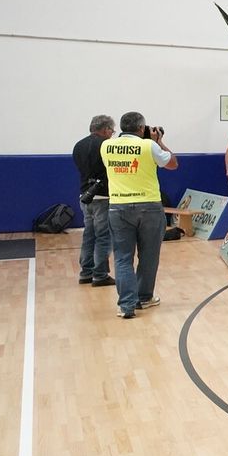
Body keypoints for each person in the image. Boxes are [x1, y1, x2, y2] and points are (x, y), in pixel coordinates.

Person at [102, 113, 179, 319]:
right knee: (148, 256)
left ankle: (126, 305)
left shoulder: (106, 146)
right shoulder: (148, 146)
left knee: (122, 258)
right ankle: (144, 297)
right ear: (141, 128)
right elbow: (172, 164)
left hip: (118, 206)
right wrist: (159, 141)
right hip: (149, 207)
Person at [72, 114, 115, 287]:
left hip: (85, 196)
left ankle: (86, 272)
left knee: (88, 234)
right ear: (105, 129)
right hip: (103, 196)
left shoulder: (78, 146)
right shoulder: (106, 145)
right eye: (111, 130)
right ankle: (100, 274)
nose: (112, 134)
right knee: (104, 236)